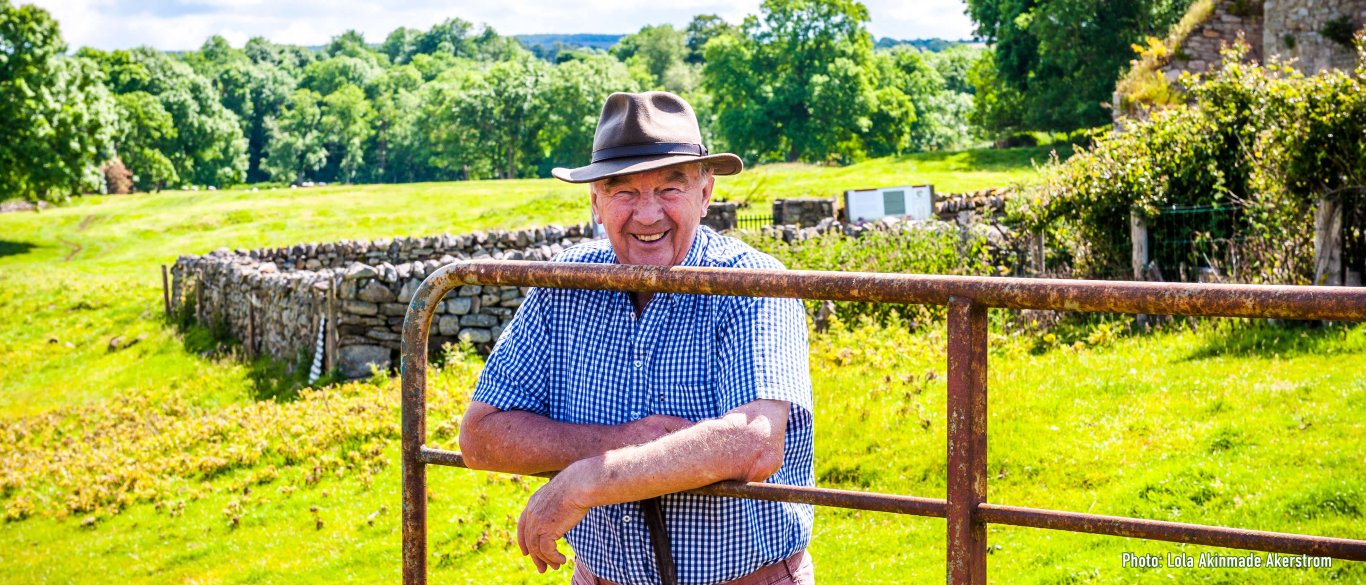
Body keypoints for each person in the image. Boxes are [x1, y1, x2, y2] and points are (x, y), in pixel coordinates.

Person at [459, 91, 814, 585]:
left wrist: (588, 479)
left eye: (671, 188)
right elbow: (480, 436)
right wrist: (619, 442)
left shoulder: (752, 282)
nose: (647, 215)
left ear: (705, 193)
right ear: (596, 202)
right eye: (623, 190)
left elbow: (754, 442)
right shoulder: (565, 284)